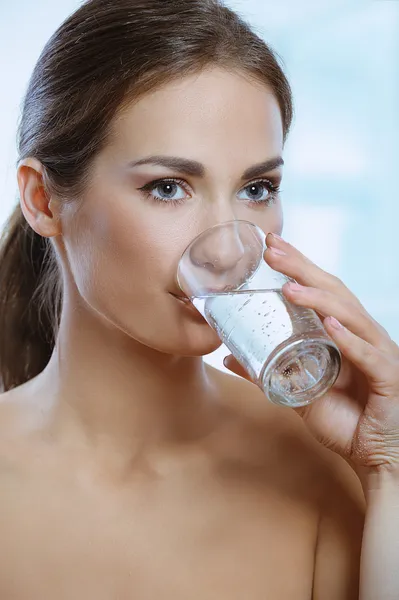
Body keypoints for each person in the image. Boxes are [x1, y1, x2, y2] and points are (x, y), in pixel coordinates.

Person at [0, 0, 398, 598]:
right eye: (168, 188)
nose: (229, 250)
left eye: (257, 188)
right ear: (44, 200)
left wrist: (390, 469)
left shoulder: (327, 472)